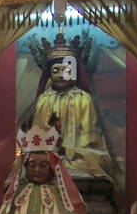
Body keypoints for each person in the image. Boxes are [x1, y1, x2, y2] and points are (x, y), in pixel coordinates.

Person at [21, 31, 115, 184]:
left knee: (91, 164)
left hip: (78, 154)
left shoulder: (83, 98)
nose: (60, 75)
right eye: (55, 71)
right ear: (49, 74)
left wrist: (70, 150)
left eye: (66, 70)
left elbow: (89, 135)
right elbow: (38, 132)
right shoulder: (43, 99)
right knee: (27, 166)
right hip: (47, 155)